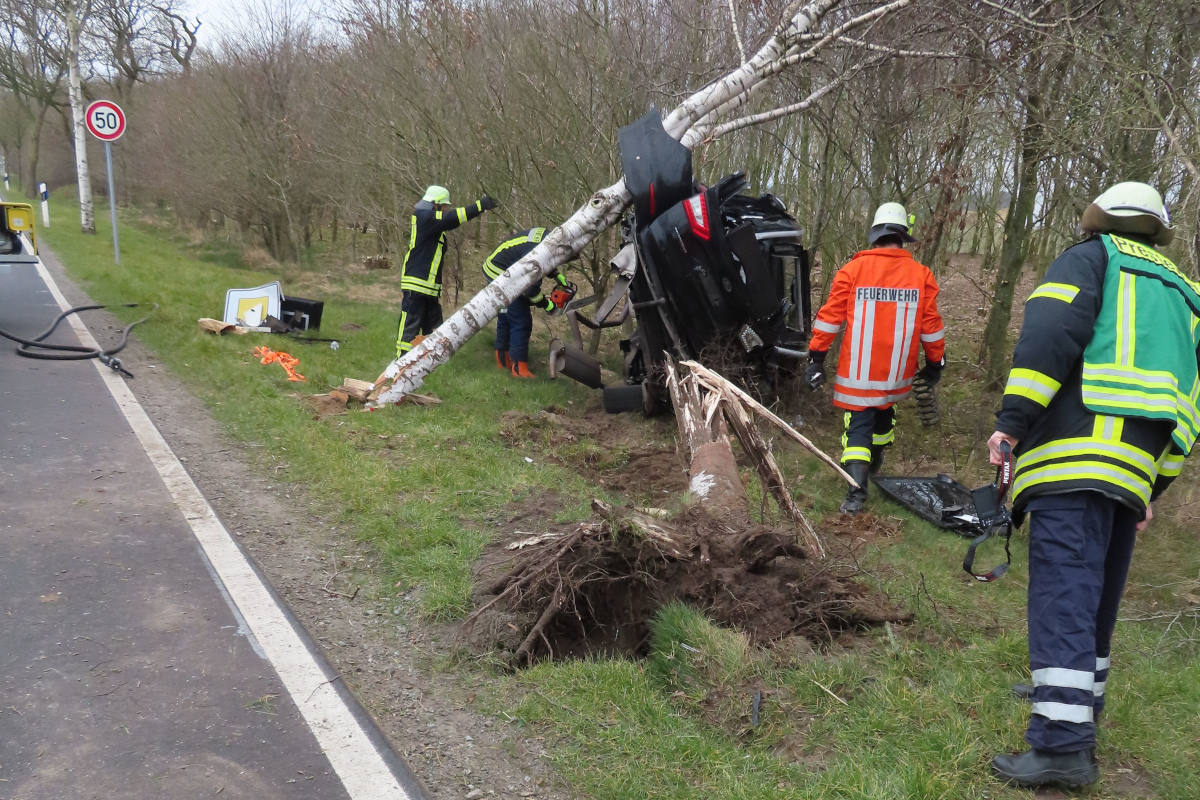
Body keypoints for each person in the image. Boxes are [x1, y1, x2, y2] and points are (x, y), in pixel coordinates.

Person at [986, 181, 1195, 789]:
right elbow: (1190, 402)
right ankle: (1079, 706)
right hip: (1132, 473)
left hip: (1072, 458)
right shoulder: (1186, 293)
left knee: (1064, 593)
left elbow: (1048, 338)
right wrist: (1155, 484)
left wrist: (1011, 422)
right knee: (1096, 597)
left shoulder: (1091, 257)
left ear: (1099, 218)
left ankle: (1061, 745)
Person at [805, 202, 946, 512]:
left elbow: (829, 319)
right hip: (896, 374)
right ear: (902, 236)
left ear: (876, 235)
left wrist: (816, 357)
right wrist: (936, 363)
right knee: (882, 421)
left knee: (858, 429)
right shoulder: (920, 275)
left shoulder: (852, 271)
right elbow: (931, 327)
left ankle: (856, 495)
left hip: (858, 372)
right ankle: (874, 469)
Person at [395, 185, 497, 357]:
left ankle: (425, 363)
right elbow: (453, 218)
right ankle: (400, 365)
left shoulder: (433, 227)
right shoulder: (424, 217)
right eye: (444, 207)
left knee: (434, 329)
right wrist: (480, 206)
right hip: (417, 286)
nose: (446, 210)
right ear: (435, 205)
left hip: (428, 289)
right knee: (410, 327)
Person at [482, 227, 570, 378]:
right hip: (500, 274)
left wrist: (556, 275)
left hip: (494, 266)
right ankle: (519, 369)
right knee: (520, 320)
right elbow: (530, 291)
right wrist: (547, 304)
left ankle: (502, 362)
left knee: (505, 316)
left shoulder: (548, 239)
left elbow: (543, 259)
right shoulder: (540, 256)